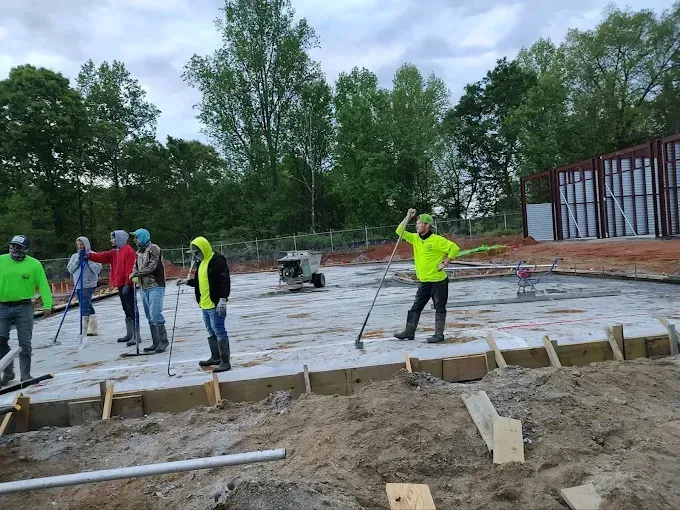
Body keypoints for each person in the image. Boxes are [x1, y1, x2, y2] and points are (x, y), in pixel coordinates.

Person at [394, 209, 460, 343]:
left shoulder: (437, 240)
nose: (416, 225)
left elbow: (454, 248)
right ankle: (409, 332)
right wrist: (407, 217)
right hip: (424, 282)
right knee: (416, 307)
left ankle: (439, 335)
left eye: (419, 223)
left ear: (427, 225)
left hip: (438, 282)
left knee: (439, 308)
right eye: (416, 223)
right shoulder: (415, 238)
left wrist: (445, 263)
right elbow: (399, 231)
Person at [0, 235, 53, 385]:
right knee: (0, 340)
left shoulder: (34, 265)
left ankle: (25, 375)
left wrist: (48, 304)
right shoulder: (1, 261)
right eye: (13, 246)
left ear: (25, 249)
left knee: (25, 342)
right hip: (2, 307)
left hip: (23, 307)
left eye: (19, 247)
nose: (15, 249)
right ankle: (7, 372)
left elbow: (43, 285)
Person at [177, 236, 231, 372]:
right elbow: (199, 282)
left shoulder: (217, 261)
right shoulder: (200, 263)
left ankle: (225, 361)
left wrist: (223, 299)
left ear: (203, 249)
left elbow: (225, 281)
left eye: (196, 252)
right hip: (204, 304)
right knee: (210, 330)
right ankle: (215, 356)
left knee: (219, 330)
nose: (195, 256)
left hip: (215, 304)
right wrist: (186, 281)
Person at [88, 231, 137, 344]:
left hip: (127, 285)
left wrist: (128, 284)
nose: (111, 241)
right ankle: (129, 333)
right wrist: (88, 256)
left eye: (113, 238)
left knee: (132, 309)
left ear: (119, 239)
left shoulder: (129, 251)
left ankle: (136, 335)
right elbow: (102, 256)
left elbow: (130, 269)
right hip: (120, 284)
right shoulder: (115, 252)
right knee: (126, 309)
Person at [129, 228, 168, 353]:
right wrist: (134, 274)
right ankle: (155, 342)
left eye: (136, 237)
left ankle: (163, 341)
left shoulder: (154, 248)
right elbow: (135, 265)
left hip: (156, 285)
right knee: (149, 315)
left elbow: (153, 266)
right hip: (143, 287)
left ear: (143, 237)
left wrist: (137, 274)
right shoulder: (138, 251)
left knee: (155, 313)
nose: (135, 240)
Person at [67, 236, 102, 336]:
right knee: (86, 304)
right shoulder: (74, 256)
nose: (80, 247)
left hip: (89, 284)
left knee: (85, 304)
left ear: (86, 244)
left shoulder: (93, 254)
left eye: (81, 244)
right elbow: (71, 269)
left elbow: (97, 270)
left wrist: (89, 259)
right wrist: (78, 259)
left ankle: (84, 328)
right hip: (78, 284)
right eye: (78, 245)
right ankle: (93, 327)